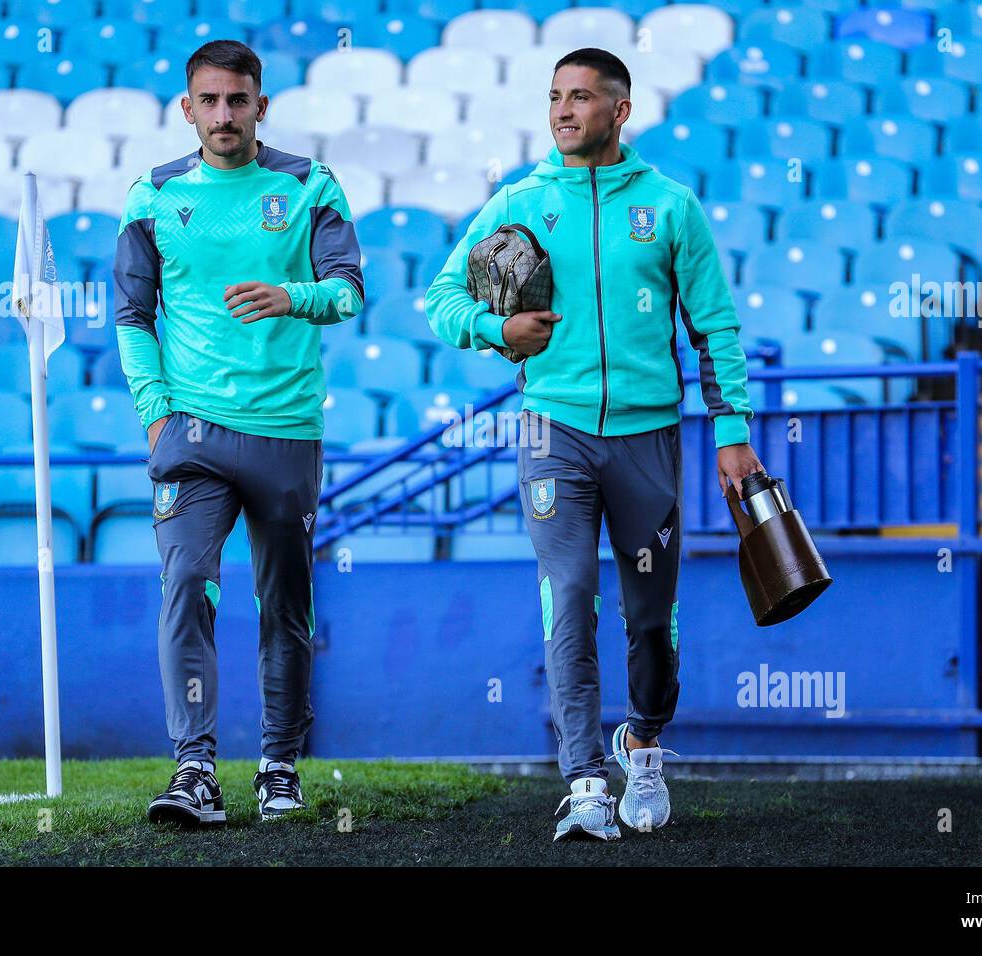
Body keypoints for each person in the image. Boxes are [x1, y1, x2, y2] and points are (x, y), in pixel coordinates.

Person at [425, 47, 763, 842]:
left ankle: (641, 746)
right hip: (553, 430)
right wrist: (493, 326)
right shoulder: (519, 200)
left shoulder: (671, 208)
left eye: (581, 97)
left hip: (648, 437)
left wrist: (734, 432)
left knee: (651, 620)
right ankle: (583, 778)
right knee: (569, 594)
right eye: (554, 98)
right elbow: (442, 298)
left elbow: (714, 327)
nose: (564, 111)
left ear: (621, 109)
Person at [112, 40, 364, 826]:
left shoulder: (309, 184)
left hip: (286, 429)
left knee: (285, 602)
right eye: (210, 101)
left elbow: (349, 290)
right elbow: (131, 315)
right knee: (187, 580)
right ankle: (194, 769)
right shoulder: (152, 196)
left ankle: (279, 765)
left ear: (262, 105)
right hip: (190, 431)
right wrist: (155, 409)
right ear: (187, 109)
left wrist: (294, 297)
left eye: (239, 100)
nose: (225, 115)